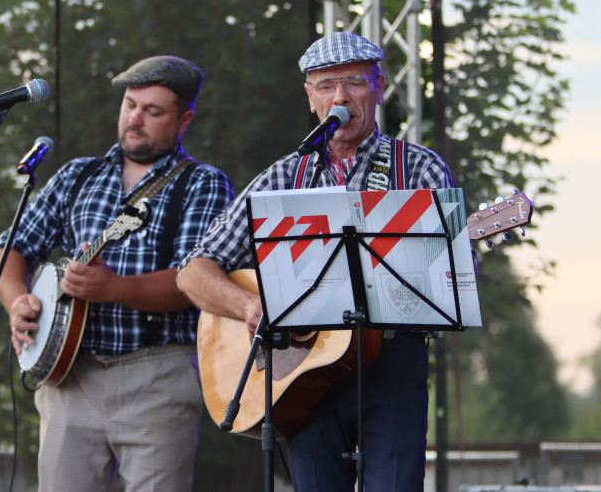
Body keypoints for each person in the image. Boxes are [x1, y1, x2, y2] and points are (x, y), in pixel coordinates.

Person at [177, 32, 466, 491]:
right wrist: (249, 308)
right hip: (302, 377)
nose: (341, 96)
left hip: (391, 360)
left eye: (354, 82)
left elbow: (449, 276)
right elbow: (194, 271)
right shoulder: (282, 177)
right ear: (310, 98)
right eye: (326, 85)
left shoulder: (419, 169)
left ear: (380, 88)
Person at [0, 55, 234, 492]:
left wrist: (114, 288)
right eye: (129, 105)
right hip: (69, 376)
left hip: (158, 375)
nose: (135, 119)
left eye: (153, 111)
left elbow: (193, 281)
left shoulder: (203, 183)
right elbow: (8, 251)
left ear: (184, 120)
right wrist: (16, 302)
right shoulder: (76, 176)